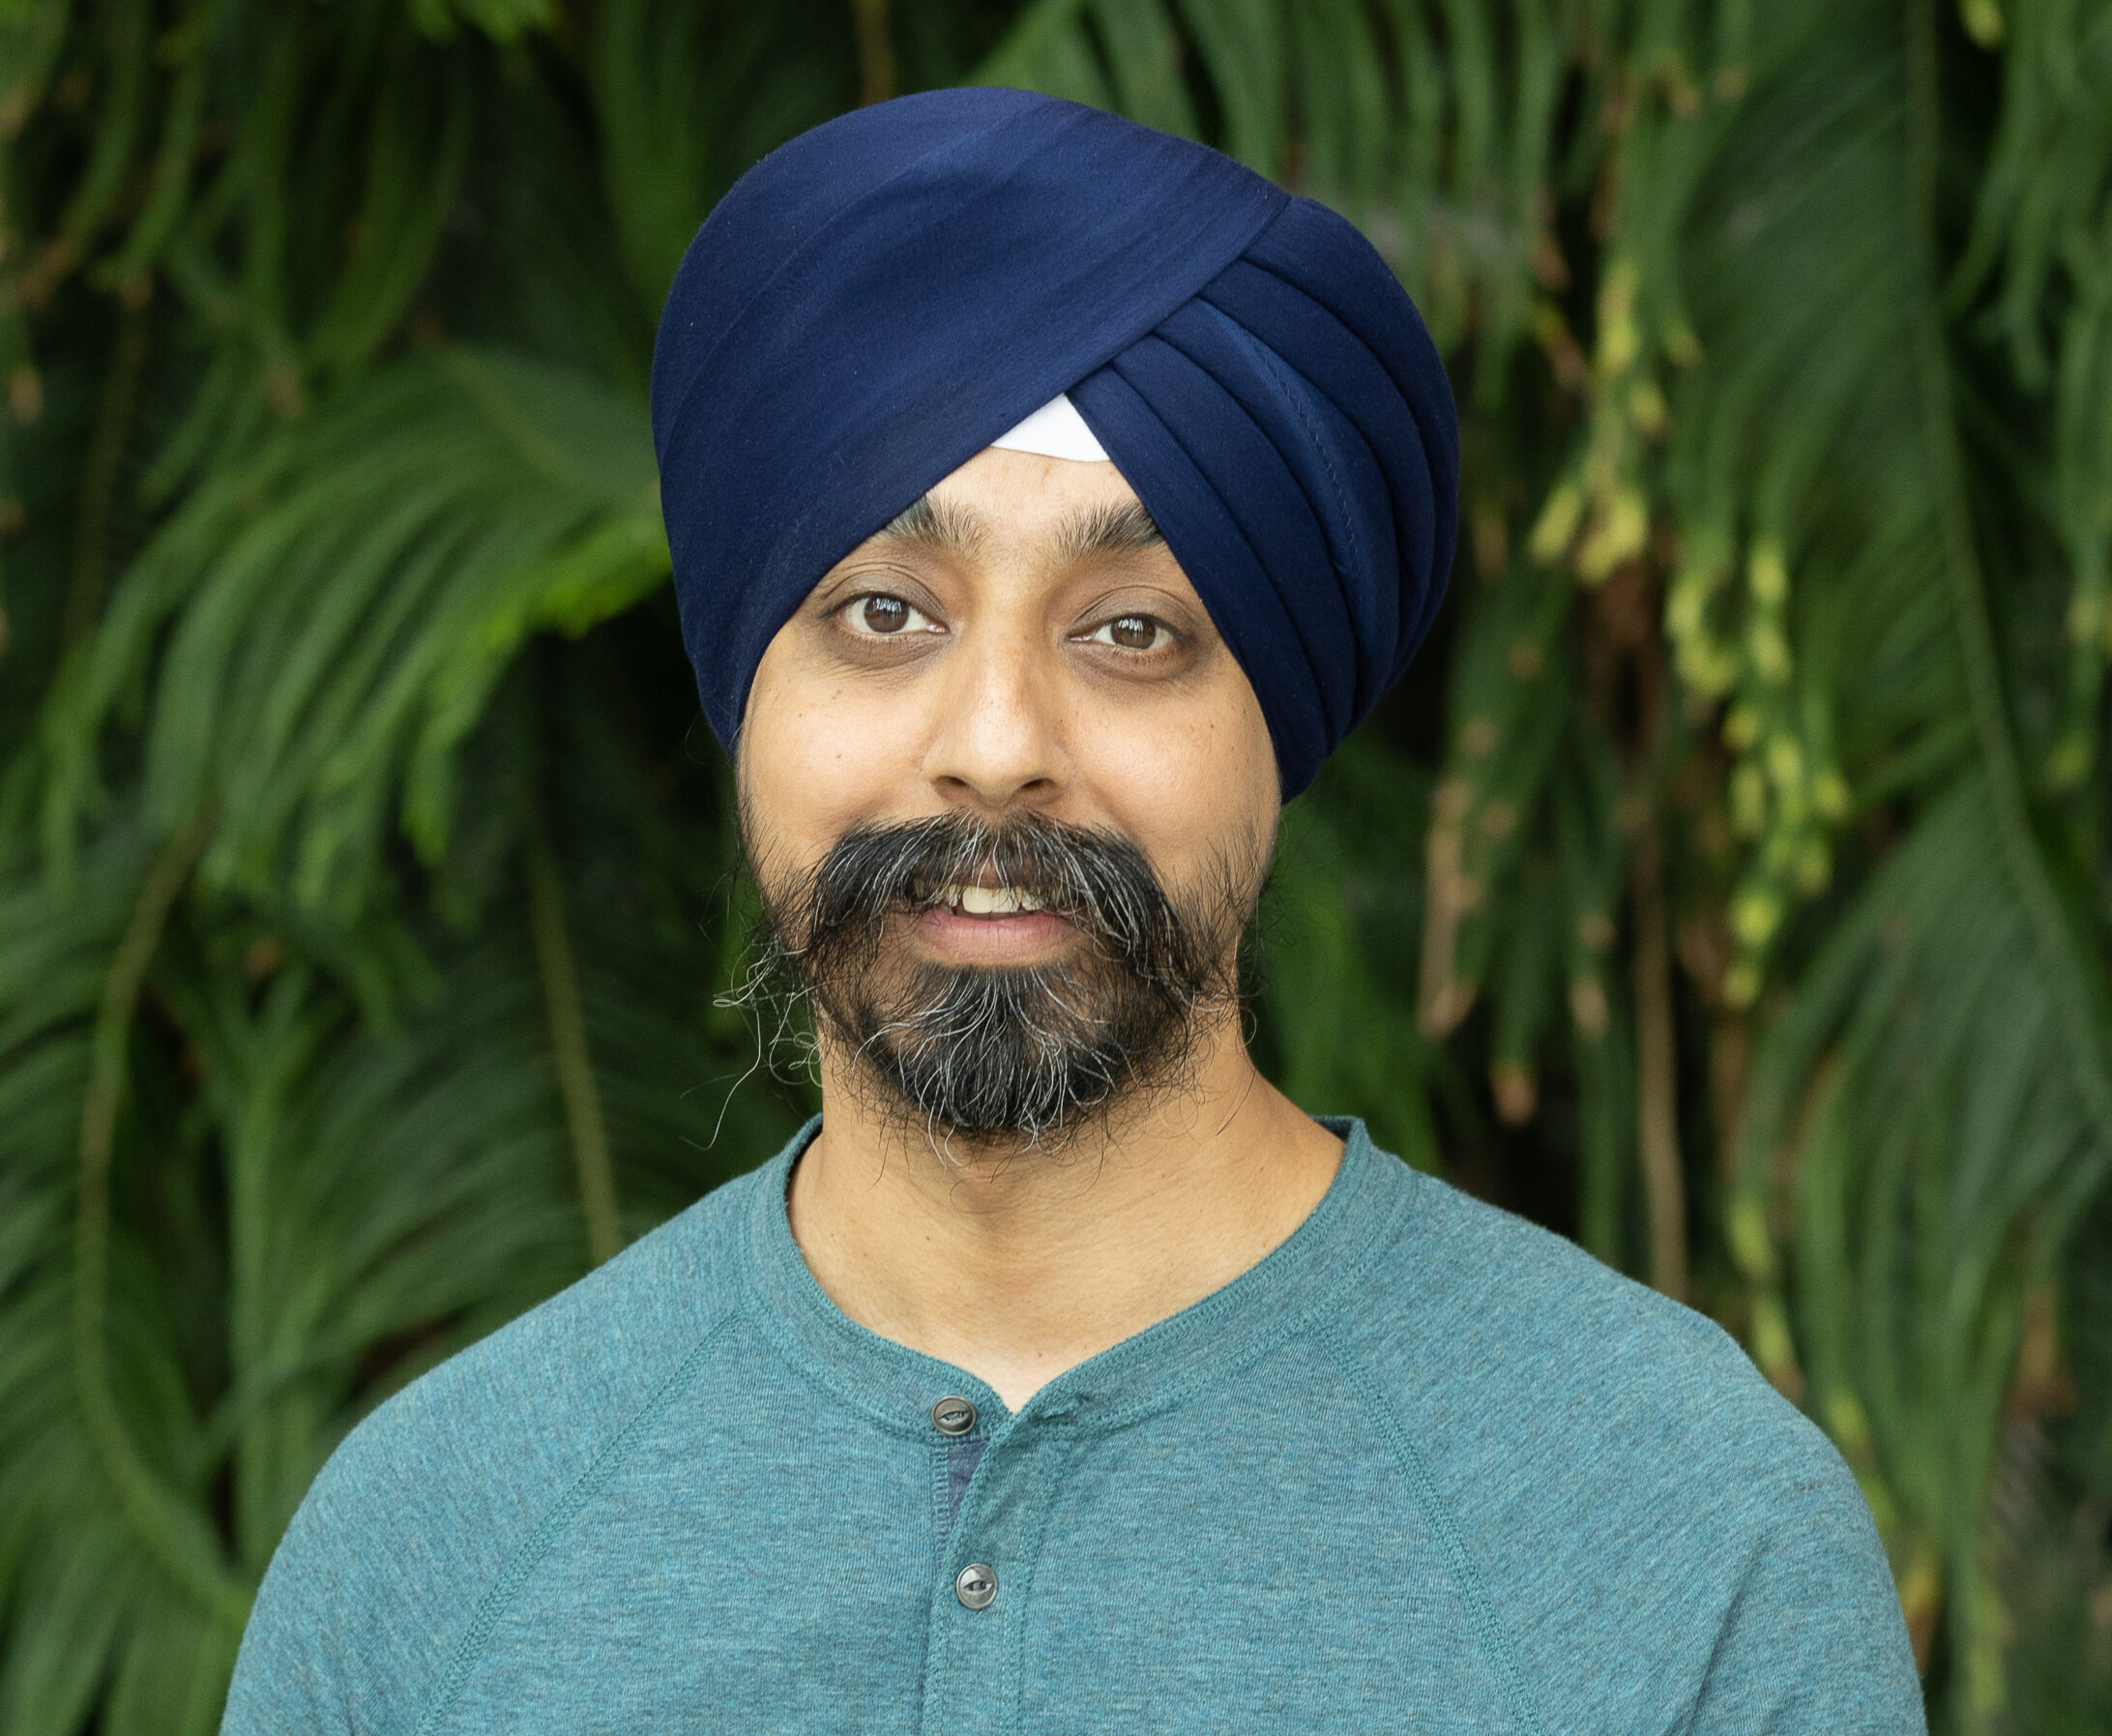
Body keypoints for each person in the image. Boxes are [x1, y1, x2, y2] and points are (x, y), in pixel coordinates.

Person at [221, 88, 1925, 1734]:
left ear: (1286, 724)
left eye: (1134, 631)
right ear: (749, 702)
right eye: (886, 611)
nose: (995, 750)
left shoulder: (1674, 1527)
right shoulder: (436, 1547)